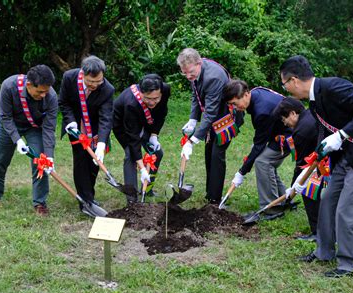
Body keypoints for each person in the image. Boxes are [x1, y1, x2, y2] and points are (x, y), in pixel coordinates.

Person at [280, 55, 353, 277]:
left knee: (347, 211)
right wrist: (304, 175)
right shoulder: (313, 102)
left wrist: (342, 135)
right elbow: (324, 135)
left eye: (284, 84)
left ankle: (350, 263)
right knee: (327, 199)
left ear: (294, 80)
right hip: (346, 155)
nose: (286, 90)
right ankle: (324, 251)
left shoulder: (335, 87)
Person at [0, 65, 58, 216]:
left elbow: (49, 128)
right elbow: (5, 117)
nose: (44, 95)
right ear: (29, 85)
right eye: (40, 91)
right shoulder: (8, 86)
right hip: (9, 125)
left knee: (40, 162)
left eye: (46, 91)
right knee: (0, 161)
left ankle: (40, 203)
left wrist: (49, 156)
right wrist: (17, 140)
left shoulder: (51, 96)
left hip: (34, 127)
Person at [177, 48, 242, 204]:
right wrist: (193, 119)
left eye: (190, 72)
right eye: (184, 73)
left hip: (226, 118)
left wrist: (192, 141)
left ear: (199, 63)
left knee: (216, 155)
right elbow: (196, 96)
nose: (188, 76)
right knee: (209, 153)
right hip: (214, 116)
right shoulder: (195, 72)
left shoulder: (213, 77)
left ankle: (215, 200)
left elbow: (211, 113)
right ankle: (210, 194)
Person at [222, 80, 293, 214]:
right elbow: (260, 139)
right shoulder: (256, 93)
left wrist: (242, 172)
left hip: (290, 135)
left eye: (235, 104)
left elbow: (260, 144)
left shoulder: (262, 111)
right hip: (278, 132)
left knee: (263, 162)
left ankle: (271, 208)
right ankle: (284, 199)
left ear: (246, 94)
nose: (235, 108)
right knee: (266, 162)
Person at [59, 55, 114, 213]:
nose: (95, 85)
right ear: (83, 74)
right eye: (91, 82)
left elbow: (106, 117)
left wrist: (102, 144)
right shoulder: (69, 78)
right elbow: (63, 102)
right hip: (75, 127)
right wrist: (70, 121)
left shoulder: (107, 89)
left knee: (94, 163)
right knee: (81, 160)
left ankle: (89, 195)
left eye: (98, 81)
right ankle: (85, 201)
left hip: (95, 131)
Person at [113, 74, 170, 201]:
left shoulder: (165, 90)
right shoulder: (130, 103)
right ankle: (132, 199)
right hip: (123, 124)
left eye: (156, 98)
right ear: (141, 92)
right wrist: (143, 168)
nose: (152, 102)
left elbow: (161, 113)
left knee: (157, 153)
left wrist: (154, 135)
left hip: (146, 120)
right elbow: (133, 138)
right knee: (130, 155)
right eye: (148, 98)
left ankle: (147, 188)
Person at [273, 97, 320, 240]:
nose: (285, 124)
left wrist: (294, 186)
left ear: (293, 113)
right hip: (323, 158)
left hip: (324, 162)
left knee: (308, 189)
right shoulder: (310, 114)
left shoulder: (301, 130)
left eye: (284, 119)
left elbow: (302, 164)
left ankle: (317, 233)